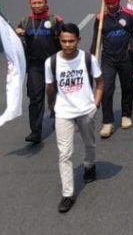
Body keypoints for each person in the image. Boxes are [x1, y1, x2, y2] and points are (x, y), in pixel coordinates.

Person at [45, 23, 104, 213]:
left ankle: (89, 165)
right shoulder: (51, 62)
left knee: (89, 144)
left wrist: (95, 104)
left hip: (86, 110)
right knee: (65, 154)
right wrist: (52, 106)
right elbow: (50, 87)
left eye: (71, 41)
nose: (68, 45)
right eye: (64, 41)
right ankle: (68, 194)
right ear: (59, 41)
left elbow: (100, 82)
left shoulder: (88, 59)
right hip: (63, 112)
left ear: (79, 40)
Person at [91, 0, 133, 138]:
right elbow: (96, 40)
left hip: (126, 56)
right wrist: (91, 58)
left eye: (113, 3)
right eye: (108, 3)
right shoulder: (100, 19)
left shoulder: (129, 16)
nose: (110, 6)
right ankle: (107, 121)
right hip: (108, 59)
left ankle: (126, 114)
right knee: (106, 88)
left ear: (118, 1)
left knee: (127, 85)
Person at [15, 0, 63, 144]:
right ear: (30, 4)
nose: (37, 6)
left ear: (46, 3)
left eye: (40, 2)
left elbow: (66, 41)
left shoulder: (56, 20)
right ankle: (35, 131)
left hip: (54, 65)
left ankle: (59, 119)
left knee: (57, 96)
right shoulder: (25, 22)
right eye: (34, 3)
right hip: (35, 66)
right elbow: (15, 42)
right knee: (35, 98)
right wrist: (17, 33)